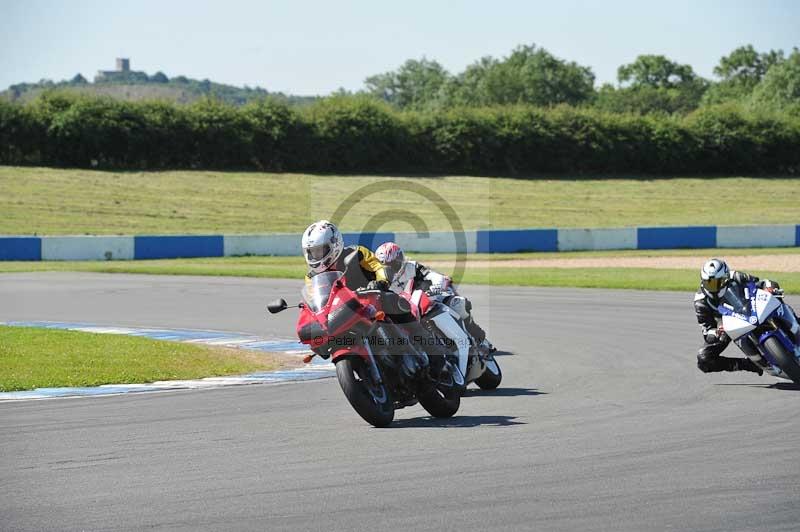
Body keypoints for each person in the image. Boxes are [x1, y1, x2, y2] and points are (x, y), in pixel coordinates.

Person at [301, 221, 439, 368]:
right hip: (344, 312)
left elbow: (377, 267)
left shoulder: (356, 253)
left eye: (319, 250)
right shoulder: (311, 277)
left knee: (398, 306)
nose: (315, 256)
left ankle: (435, 353)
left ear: (334, 244)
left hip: (373, 299)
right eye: (311, 252)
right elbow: (316, 299)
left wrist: (381, 281)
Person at [374, 241, 494, 354]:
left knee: (458, 305)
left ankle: (479, 338)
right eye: (387, 266)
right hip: (406, 308)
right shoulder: (380, 279)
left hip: (428, 297)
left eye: (395, 262)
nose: (392, 268)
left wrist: (435, 288)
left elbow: (435, 276)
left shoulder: (412, 267)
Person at [694, 258, 797, 375]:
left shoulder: (736, 276)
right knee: (704, 359)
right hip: (727, 325)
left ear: (726, 277)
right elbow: (707, 328)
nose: (714, 287)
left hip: (749, 308)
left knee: (777, 300)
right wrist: (715, 332)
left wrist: (770, 288)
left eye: (718, 282)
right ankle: (750, 364)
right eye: (709, 283)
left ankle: (795, 325)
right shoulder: (700, 301)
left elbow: (759, 283)